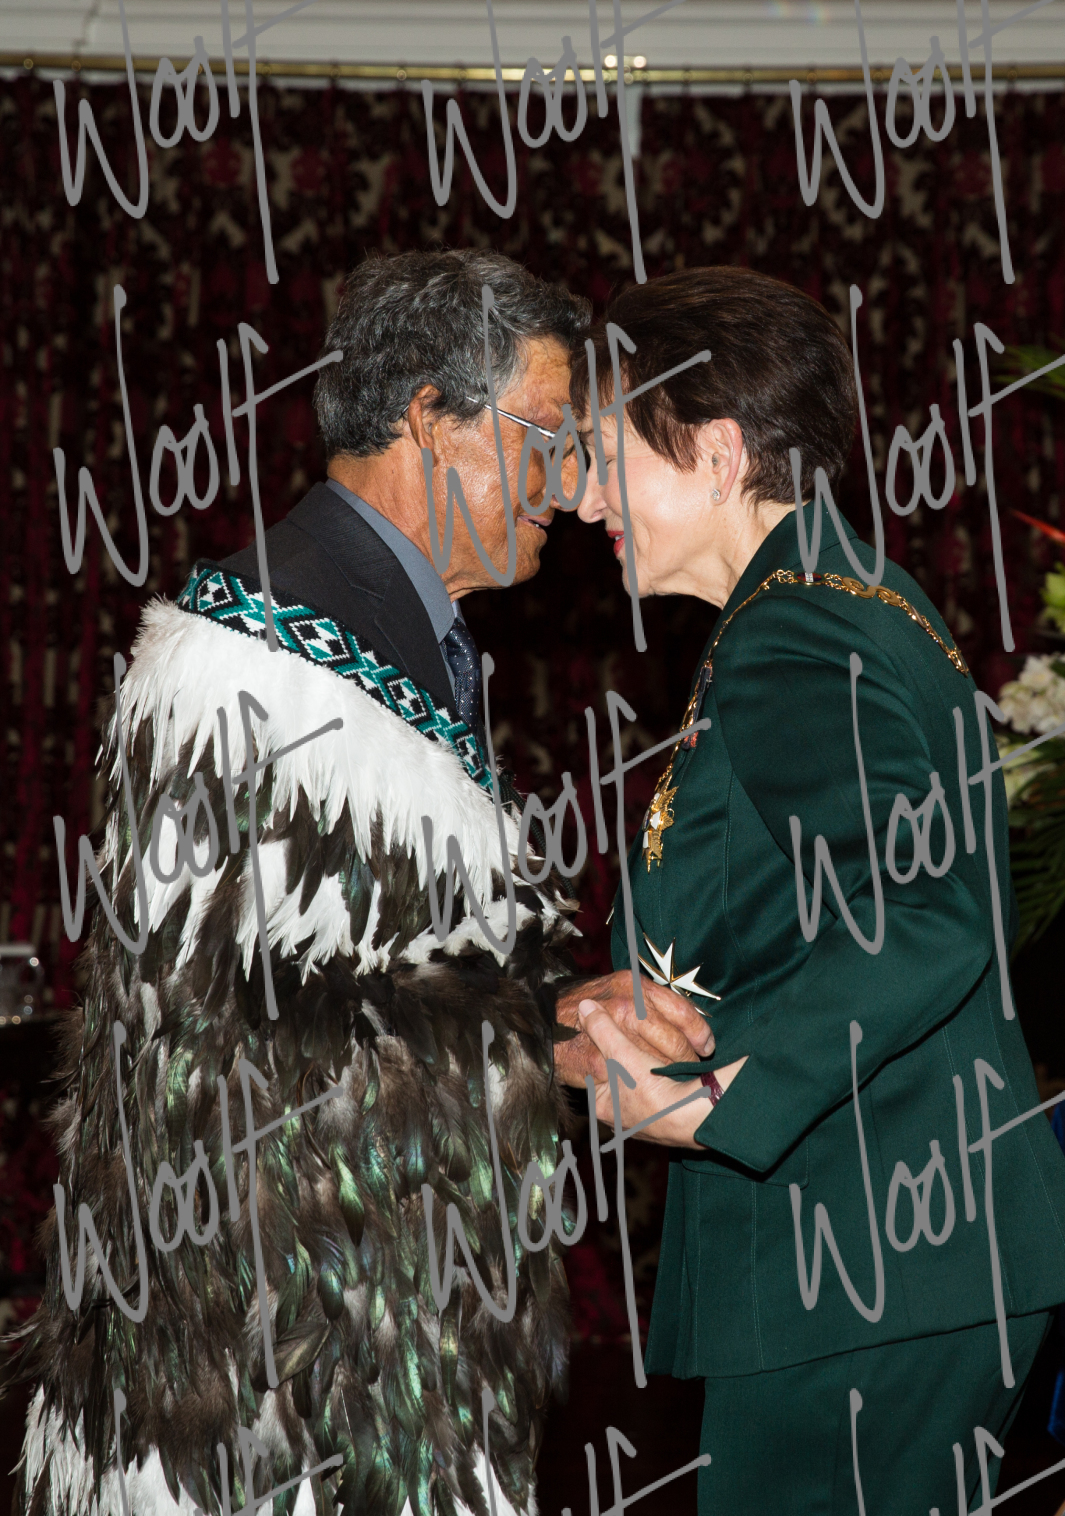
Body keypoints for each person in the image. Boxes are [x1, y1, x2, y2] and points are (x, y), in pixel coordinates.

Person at [14, 249, 709, 1516]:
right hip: (266, 1376)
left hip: (366, 1337)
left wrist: (560, 1003)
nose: (570, 484)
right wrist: (538, 1033)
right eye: (545, 437)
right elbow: (219, 1051)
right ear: (433, 420)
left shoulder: (387, 637)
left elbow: (374, 959)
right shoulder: (248, 666)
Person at [555, 265, 1065, 1516]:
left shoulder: (794, 631)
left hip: (860, 1261)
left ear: (716, 450)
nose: (580, 496)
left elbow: (926, 914)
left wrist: (722, 1098)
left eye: (605, 455)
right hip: (896, 1250)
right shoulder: (841, 598)